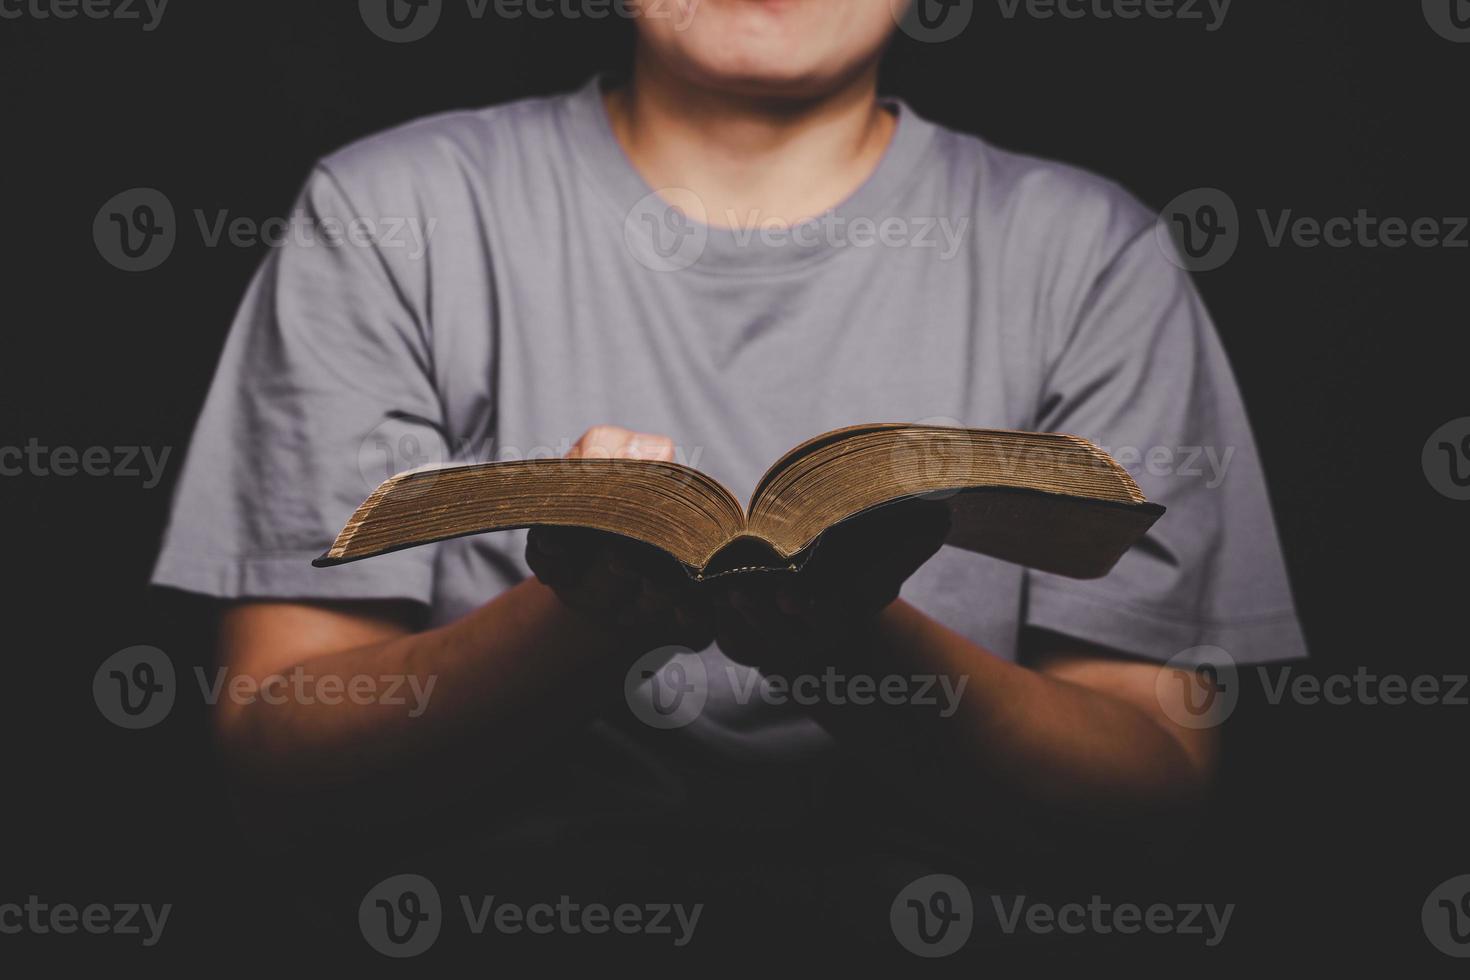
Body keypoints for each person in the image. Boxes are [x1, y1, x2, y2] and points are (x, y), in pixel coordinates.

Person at [152, 0, 1306, 936]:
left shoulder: (1093, 256)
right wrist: (585, 612)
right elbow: (280, 769)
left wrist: (851, 633)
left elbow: (1149, 800)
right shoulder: (389, 214)